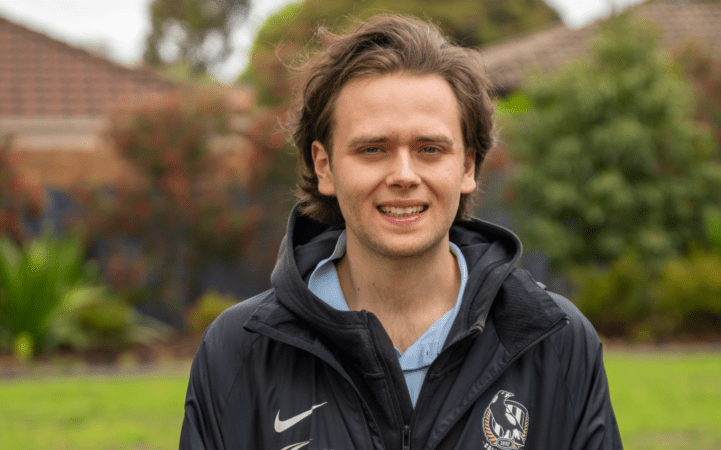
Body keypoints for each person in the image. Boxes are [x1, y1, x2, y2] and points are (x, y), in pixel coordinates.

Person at [180, 14, 622, 450]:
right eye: (374, 149)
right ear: (324, 166)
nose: (404, 174)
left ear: (467, 166)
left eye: (430, 149)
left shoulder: (557, 342)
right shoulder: (238, 352)